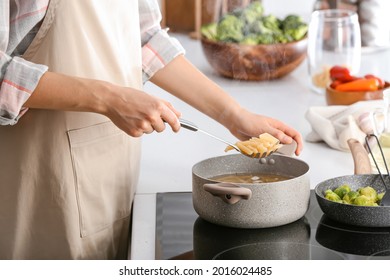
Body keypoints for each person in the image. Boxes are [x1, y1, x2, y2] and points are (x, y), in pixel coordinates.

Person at [0, 0, 303, 259]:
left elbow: (144, 40)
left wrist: (235, 115)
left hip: (110, 168)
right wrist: (108, 98)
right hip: (40, 175)